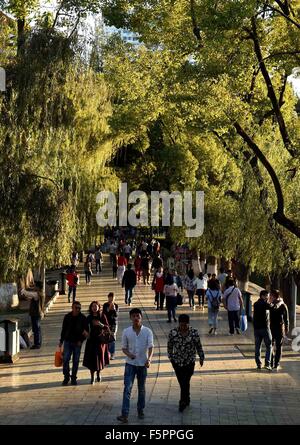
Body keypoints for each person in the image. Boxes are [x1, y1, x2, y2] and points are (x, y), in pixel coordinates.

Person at [117, 308, 154, 424]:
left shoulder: (147, 331)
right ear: (130, 318)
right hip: (130, 364)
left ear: (141, 317)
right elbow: (123, 348)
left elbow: (151, 347)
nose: (136, 318)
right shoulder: (126, 331)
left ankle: (140, 409)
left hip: (143, 364)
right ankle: (125, 414)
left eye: (138, 316)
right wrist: (129, 354)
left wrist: (149, 359)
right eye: (133, 316)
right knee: (127, 388)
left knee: (141, 389)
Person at [167, 314, 205, 412]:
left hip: (190, 361)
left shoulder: (194, 333)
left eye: (185, 325)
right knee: (182, 382)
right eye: (182, 325)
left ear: (188, 324)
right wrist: (171, 358)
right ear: (179, 324)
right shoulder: (173, 333)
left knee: (185, 380)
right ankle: (186, 398)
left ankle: (183, 401)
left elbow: (198, 346)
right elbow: (169, 347)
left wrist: (201, 357)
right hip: (177, 362)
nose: (183, 327)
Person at [59, 301, 89, 385]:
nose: (78, 310)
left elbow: (86, 331)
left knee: (76, 361)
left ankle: (73, 378)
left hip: (77, 343)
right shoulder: (67, 317)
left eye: (79, 308)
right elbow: (63, 330)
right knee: (65, 360)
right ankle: (66, 377)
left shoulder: (83, 318)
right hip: (68, 341)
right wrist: (61, 341)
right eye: (76, 308)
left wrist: (81, 340)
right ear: (72, 307)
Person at [83, 301, 110, 384]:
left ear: (99, 307)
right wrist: (86, 333)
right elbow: (84, 328)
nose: (94, 308)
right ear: (91, 308)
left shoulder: (102, 316)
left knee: (100, 359)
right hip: (91, 341)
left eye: (96, 306)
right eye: (93, 306)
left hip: (100, 342)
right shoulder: (89, 317)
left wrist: (100, 324)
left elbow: (107, 327)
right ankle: (92, 377)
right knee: (92, 360)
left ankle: (99, 373)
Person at [253, 290, 274, 371]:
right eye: (267, 296)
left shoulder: (255, 304)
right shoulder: (265, 304)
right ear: (262, 296)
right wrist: (271, 301)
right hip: (264, 328)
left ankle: (258, 364)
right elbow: (272, 307)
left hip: (256, 329)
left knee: (257, 347)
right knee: (269, 346)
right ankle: (267, 363)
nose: (268, 297)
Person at [20, 281, 44, 349]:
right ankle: (38, 343)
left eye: (35, 286)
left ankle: (37, 344)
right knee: (37, 329)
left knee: (36, 329)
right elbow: (29, 295)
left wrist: (22, 290)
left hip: (36, 314)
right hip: (37, 314)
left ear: (38, 287)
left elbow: (28, 293)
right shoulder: (40, 293)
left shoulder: (37, 294)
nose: (34, 287)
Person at [270, 289, 289, 371]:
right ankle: (272, 363)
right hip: (272, 328)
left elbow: (286, 318)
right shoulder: (270, 304)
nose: (270, 297)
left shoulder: (282, 305)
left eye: (271, 295)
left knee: (277, 346)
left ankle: (275, 363)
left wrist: (286, 328)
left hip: (278, 328)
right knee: (272, 346)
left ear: (274, 296)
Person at [103, 292, 119, 360]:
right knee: (106, 339)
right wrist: (109, 309)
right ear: (108, 298)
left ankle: (112, 353)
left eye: (112, 299)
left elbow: (116, 316)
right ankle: (106, 353)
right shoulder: (105, 305)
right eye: (110, 298)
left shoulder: (116, 305)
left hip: (113, 324)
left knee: (112, 339)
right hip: (106, 324)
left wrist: (114, 310)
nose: (111, 300)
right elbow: (104, 315)